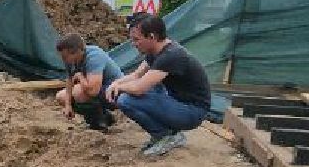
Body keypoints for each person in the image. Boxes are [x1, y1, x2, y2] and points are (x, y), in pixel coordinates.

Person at [105, 14, 213, 158]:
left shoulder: (171, 55)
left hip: (193, 112)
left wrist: (119, 88)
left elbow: (139, 88)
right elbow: (136, 75)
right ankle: (168, 134)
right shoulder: (155, 51)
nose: (133, 44)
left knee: (126, 100)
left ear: (151, 37)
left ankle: (164, 136)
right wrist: (116, 83)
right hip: (179, 104)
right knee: (148, 87)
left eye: (136, 39)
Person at [53, 33, 122, 130]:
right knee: (61, 97)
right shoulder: (71, 60)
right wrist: (68, 105)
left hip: (115, 92)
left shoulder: (94, 56)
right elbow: (69, 80)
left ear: (75, 52)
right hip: (95, 90)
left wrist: (80, 77)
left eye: (65, 56)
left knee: (78, 93)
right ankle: (104, 117)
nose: (63, 59)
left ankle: (98, 121)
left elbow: (93, 91)